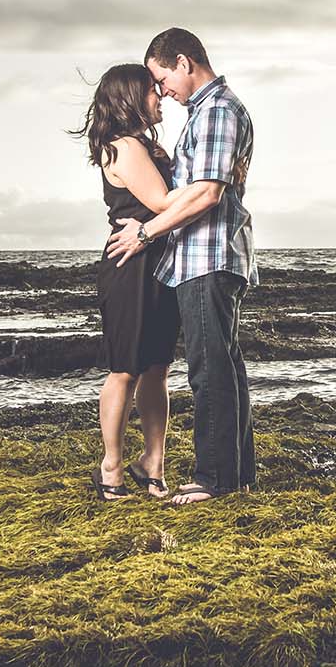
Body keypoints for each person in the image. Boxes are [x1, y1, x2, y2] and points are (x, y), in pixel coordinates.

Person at [106, 28, 256, 506]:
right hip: (200, 254)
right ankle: (237, 473)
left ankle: (215, 478)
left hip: (207, 253)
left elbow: (207, 193)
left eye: (162, 77)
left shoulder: (215, 110)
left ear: (185, 63)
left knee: (209, 368)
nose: (163, 90)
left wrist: (146, 232)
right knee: (225, 365)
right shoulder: (207, 112)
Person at [72, 63, 193, 502]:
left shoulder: (141, 144)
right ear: (129, 97)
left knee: (157, 368)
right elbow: (161, 201)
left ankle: (153, 464)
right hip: (130, 265)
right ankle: (111, 467)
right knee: (125, 369)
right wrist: (212, 185)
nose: (159, 96)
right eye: (151, 91)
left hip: (156, 259)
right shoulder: (123, 145)